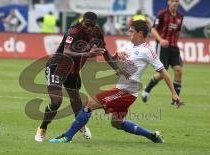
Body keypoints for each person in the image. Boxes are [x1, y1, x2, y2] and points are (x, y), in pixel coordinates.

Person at [48, 20, 182, 143]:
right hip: (123, 89)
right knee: (117, 123)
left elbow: (163, 71)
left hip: (126, 92)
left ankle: (67, 136)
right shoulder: (129, 45)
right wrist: (117, 55)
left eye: (131, 32)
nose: (129, 34)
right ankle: (152, 136)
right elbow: (113, 59)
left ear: (140, 34)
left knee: (88, 104)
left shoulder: (147, 51)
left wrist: (174, 93)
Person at [35, 11, 125, 142]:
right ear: (83, 22)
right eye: (87, 25)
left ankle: (80, 125)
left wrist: (117, 69)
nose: (89, 28)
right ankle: (42, 128)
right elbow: (66, 51)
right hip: (57, 67)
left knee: (77, 101)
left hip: (73, 71)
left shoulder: (97, 32)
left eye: (92, 26)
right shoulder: (74, 31)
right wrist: (87, 53)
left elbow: (104, 52)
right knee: (56, 102)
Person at [142, 0, 184, 105]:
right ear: (169, 2)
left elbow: (178, 32)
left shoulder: (180, 17)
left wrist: (175, 44)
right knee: (162, 73)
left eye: (176, 1)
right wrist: (161, 40)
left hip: (174, 47)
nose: (174, 3)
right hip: (163, 47)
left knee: (178, 71)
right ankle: (147, 89)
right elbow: (153, 29)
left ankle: (175, 100)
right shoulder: (162, 14)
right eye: (172, 1)